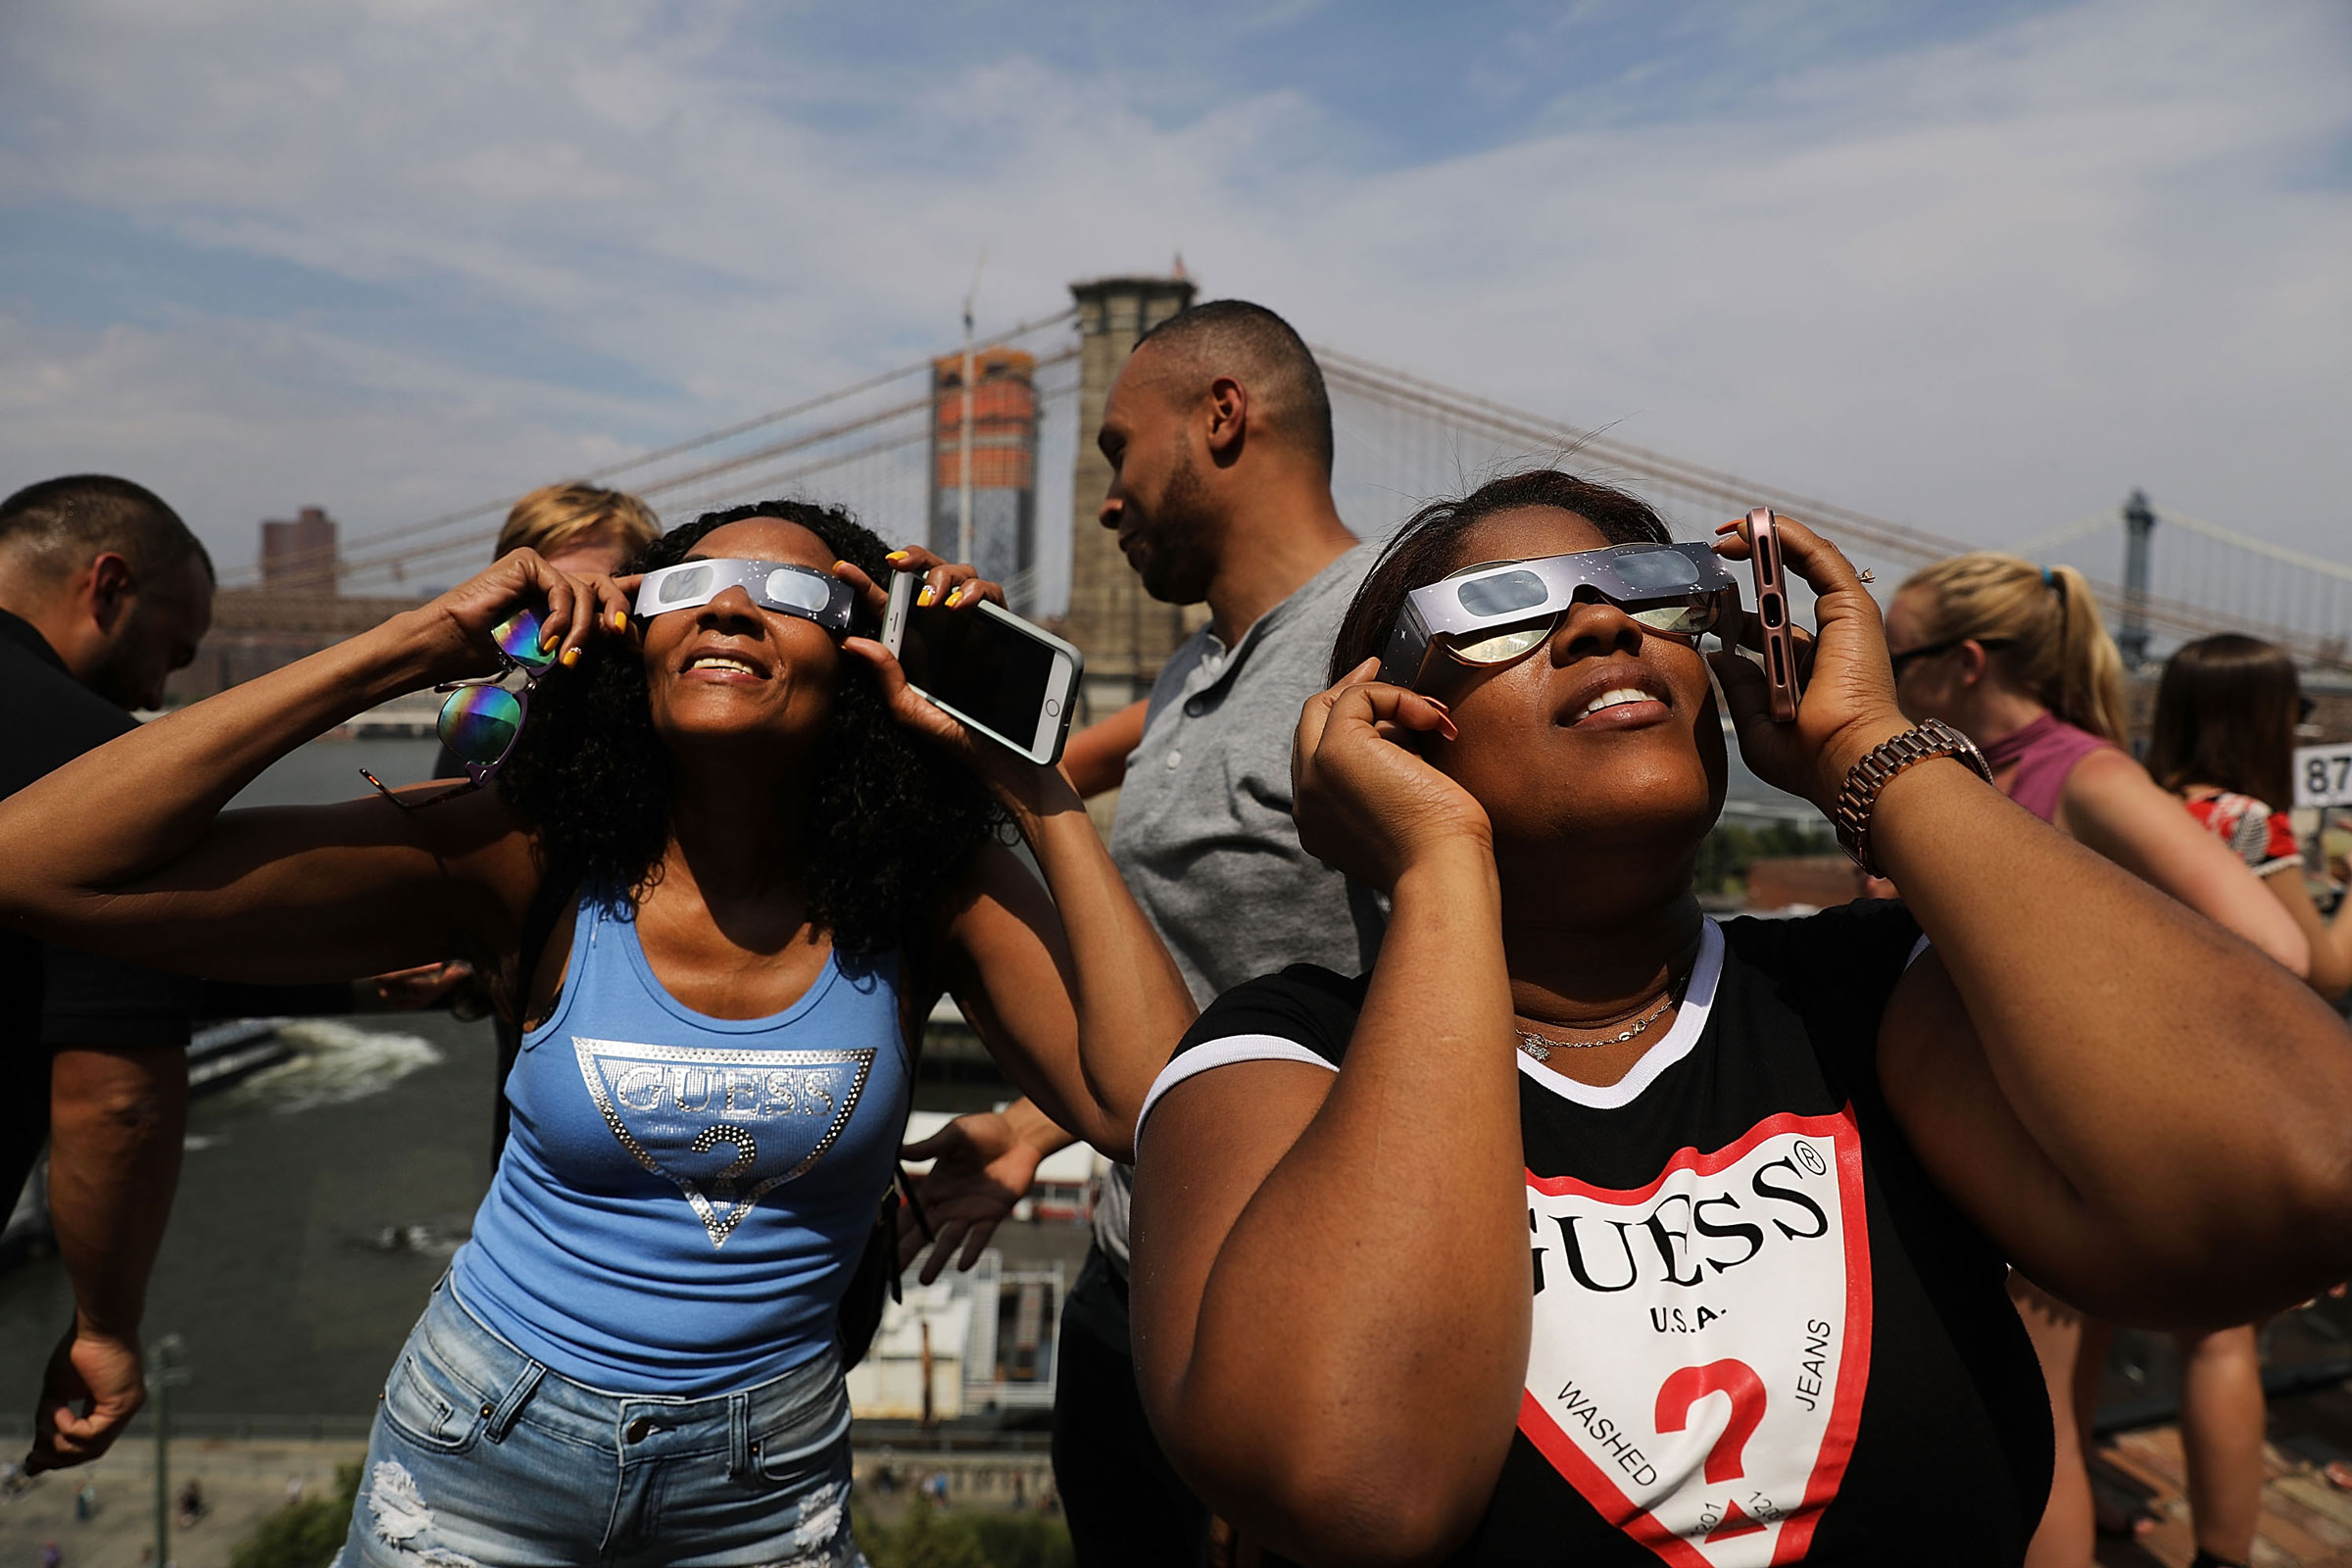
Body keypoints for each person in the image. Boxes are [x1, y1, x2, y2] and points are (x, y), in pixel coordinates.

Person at [1126, 471, 2352, 1566]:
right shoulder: (1280, 1055)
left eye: (1652, 593)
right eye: (1506, 607)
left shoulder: (1873, 995)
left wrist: (1870, 751)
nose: (1603, 622)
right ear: (1384, 727)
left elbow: (2304, 1172)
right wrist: (1441, 867)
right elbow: (1356, 1483)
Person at [0, 499, 1195, 1566]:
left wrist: (1026, 780)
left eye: (788, 591)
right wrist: (414, 646)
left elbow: (1150, 1101)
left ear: (867, 652)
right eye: (686, 585)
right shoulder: (525, 854)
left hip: (765, 1484)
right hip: (481, 1450)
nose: (727, 603)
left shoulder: (931, 887)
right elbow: (38, 865)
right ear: (639, 645)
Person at [903, 300, 1377, 1565]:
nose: (1104, 499)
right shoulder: (1194, 670)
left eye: (1116, 450)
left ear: (1221, 417)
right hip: (1131, 1281)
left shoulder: (1379, 654)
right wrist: (1029, 1127)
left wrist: (1289, 1382)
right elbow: (1212, 995)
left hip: (1285, 1322)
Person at [1888, 554, 2310, 1568]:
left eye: (1896, 655)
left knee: (2036, 1438)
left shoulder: (2084, 770)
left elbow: (2277, 945)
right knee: (2054, 1422)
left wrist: (2101, 1036)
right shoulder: (1987, 771)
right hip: (2016, 1138)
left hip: (2055, 1142)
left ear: (1967, 662)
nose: (1882, 676)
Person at [0, 476, 214, 1475]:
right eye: (174, 644)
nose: (161, 690)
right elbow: (115, 1092)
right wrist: (107, 1324)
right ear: (109, 584)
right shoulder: (92, 768)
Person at [2150, 635, 2352, 1003]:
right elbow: (2328, 977)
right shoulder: (2247, 820)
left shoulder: (2138, 806)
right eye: (2298, 710)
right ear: (2265, 721)